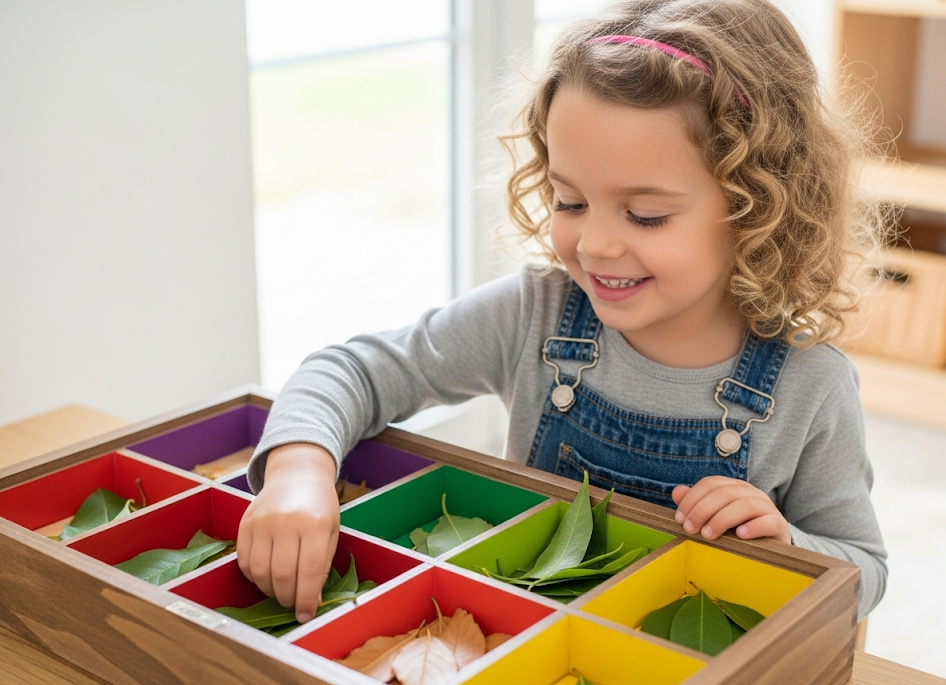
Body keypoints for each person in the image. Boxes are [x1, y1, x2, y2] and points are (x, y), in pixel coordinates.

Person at [237, 0, 888, 626]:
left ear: (757, 207)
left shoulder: (811, 385)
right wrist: (298, 470)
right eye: (570, 201)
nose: (595, 243)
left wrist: (789, 548)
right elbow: (351, 371)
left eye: (645, 215)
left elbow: (864, 568)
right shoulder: (536, 314)